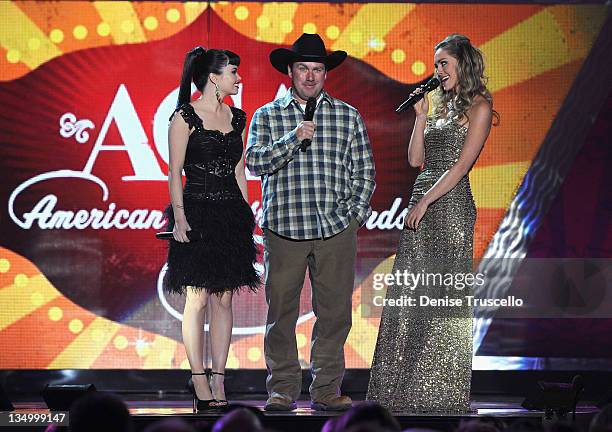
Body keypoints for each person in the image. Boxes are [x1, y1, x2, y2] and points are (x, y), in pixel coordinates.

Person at [367, 34, 498, 412]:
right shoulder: (439, 105)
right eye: (436, 63)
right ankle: (402, 390)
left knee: (441, 296)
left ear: (463, 64)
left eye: (444, 63)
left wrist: (425, 201)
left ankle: (440, 389)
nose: (437, 71)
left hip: (449, 204)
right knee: (411, 294)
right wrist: (422, 117)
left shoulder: (480, 106)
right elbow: (414, 160)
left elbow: (460, 165)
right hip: (421, 200)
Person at [246, 33, 375, 411]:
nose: (310, 76)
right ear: (290, 71)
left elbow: (364, 172)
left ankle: (326, 390)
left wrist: (352, 217)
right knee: (281, 313)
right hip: (284, 228)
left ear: (325, 74)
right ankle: (282, 389)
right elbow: (254, 162)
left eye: (317, 69)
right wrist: (293, 137)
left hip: (335, 230)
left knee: (334, 314)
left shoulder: (346, 115)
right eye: (303, 68)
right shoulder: (267, 116)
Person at [164, 46, 259, 412]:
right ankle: (198, 377)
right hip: (197, 212)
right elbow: (175, 173)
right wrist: (181, 218)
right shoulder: (184, 116)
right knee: (198, 297)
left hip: (230, 214)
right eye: (233, 72)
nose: (239, 78)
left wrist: (245, 214)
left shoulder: (237, 118)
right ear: (214, 77)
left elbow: (238, 170)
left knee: (224, 298)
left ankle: (220, 378)